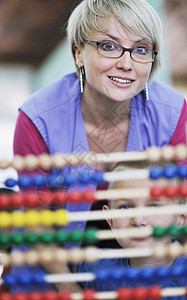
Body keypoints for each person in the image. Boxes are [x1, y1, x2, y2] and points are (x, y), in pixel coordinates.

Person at [11, 0, 187, 293]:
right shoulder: (37, 119)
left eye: (141, 49)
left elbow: (183, 209)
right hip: (52, 262)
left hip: (151, 271)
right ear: (79, 53)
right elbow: (36, 224)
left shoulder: (174, 113)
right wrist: (73, 291)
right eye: (109, 46)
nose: (126, 63)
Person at [77, 161, 187, 296]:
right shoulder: (97, 268)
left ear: (181, 218)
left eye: (154, 207)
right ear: (110, 218)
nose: (138, 220)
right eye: (125, 207)